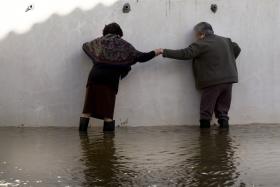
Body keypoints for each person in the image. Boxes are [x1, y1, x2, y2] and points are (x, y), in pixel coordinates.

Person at [156, 22, 241, 128]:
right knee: (223, 112)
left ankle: (204, 141)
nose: (195, 36)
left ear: (200, 33)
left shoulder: (201, 43)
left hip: (212, 81)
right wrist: (226, 62)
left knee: (206, 112)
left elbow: (185, 53)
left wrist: (164, 51)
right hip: (229, 79)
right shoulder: (226, 40)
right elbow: (237, 49)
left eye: (196, 34)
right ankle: (224, 140)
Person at [80, 22, 161, 132]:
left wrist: (99, 56)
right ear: (119, 33)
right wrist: (157, 51)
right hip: (110, 81)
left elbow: (85, 46)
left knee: (86, 111)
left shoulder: (100, 41)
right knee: (107, 114)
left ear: (106, 32)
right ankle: (108, 145)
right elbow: (141, 56)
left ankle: (82, 142)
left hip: (94, 78)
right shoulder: (124, 45)